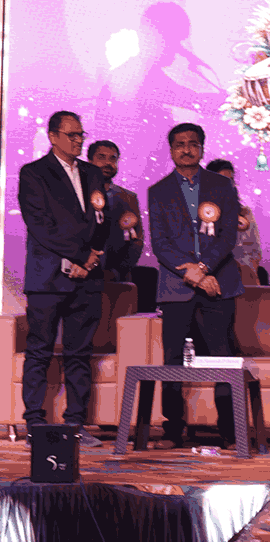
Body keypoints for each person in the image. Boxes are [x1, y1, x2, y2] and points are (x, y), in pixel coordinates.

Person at [148, 123, 243, 449]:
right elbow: (160, 244)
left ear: (202, 148)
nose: (186, 149)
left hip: (219, 283)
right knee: (172, 358)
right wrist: (193, 274)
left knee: (222, 356)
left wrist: (203, 269)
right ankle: (173, 430)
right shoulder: (158, 191)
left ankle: (230, 432)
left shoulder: (222, 185)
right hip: (176, 287)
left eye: (192, 143)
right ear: (171, 149)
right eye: (180, 144)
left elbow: (228, 235)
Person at [18, 111, 109, 447]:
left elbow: (102, 219)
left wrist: (92, 258)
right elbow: (40, 225)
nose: (78, 140)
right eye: (71, 135)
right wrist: (80, 255)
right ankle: (34, 423)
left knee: (79, 354)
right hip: (47, 279)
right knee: (39, 351)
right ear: (53, 136)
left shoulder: (92, 173)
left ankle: (76, 424)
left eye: (81, 134)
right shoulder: (34, 173)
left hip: (86, 278)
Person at [88, 139, 143, 283]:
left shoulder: (128, 197)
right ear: (89, 161)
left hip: (117, 279)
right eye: (101, 157)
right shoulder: (78, 193)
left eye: (113, 159)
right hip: (81, 275)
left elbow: (136, 241)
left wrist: (117, 271)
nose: (108, 163)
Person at [206, 159, 263, 282]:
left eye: (231, 180)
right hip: (210, 278)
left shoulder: (245, 213)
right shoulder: (201, 213)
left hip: (243, 278)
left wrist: (244, 268)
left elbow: (255, 252)